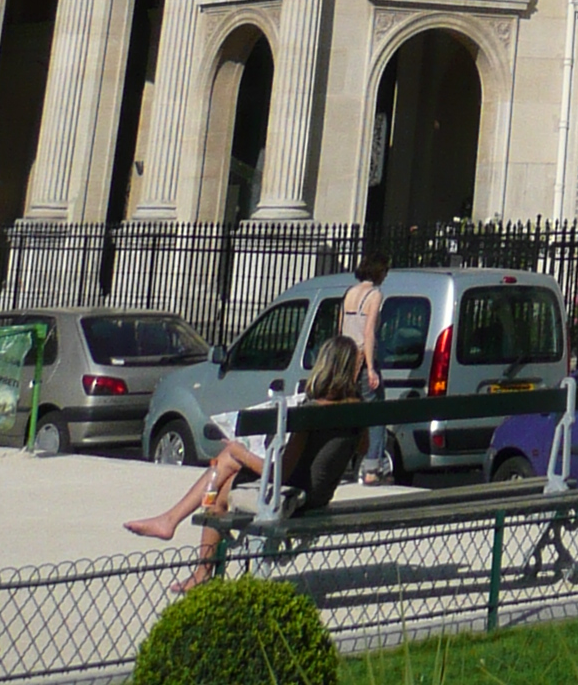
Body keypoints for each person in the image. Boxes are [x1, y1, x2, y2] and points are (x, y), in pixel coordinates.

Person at [126, 334, 364, 587]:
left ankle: (192, 555)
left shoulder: (309, 413)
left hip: (297, 496)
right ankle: (178, 534)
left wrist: (243, 454)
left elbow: (278, 475)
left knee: (227, 463)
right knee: (225, 476)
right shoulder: (359, 410)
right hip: (320, 494)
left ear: (323, 367)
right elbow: (363, 448)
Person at [339, 236, 393, 485]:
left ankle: (342, 464)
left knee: (348, 413)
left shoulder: (349, 293)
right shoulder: (374, 295)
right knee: (376, 413)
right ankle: (372, 467)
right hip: (363, 358)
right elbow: (369, 332)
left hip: (345, 360)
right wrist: (371, 368)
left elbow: (341, 331)